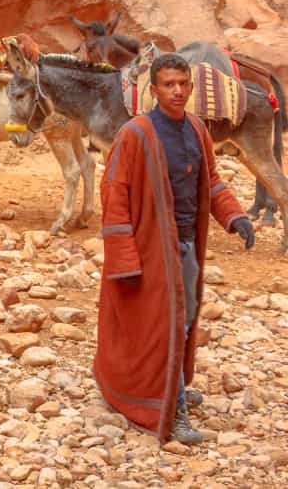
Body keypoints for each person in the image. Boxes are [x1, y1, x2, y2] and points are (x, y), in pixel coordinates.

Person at [94, 53, 256, 445]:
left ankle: (173, 386)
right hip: (152, 248)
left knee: (181, 321)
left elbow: (211, 182)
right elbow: (114, 194)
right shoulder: (136, 134)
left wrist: (235, 216)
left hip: (186, 247)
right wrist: (125, 257)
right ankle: (172, 408)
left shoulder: (197, 129)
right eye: (169, 84)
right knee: (163, 324)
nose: (177, 91)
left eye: (183, 84)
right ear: (155, 89)